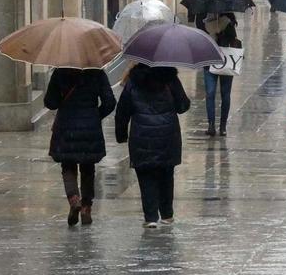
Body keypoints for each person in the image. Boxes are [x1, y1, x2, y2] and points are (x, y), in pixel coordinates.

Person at [115, 64, 190, 228]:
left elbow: (122, 110)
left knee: (146, 175)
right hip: (167, 136)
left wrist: (121, 135)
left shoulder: (133, 82)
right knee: (166, 173)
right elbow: (183, 106)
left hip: (142, 136)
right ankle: (167, 214)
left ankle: (150, 217)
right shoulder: (170, 79)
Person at [44, 68, 116, 226]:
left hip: (66, 126)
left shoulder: (60, 72)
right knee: (88, 168)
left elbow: (50, 103)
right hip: (90, 127)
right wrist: (95, 116)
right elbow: (110, 102)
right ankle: (86, 209)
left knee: (67, 165)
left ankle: (74, 199)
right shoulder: (97, 73)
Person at [202, 13, 241, 136]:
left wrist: (223, 33)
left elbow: (234, 40)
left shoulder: (228, 21)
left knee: (225, 94)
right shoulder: (203, 21)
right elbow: (200, 39)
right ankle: (211, 125)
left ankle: (223, 125)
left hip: (226, 62)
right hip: (209, 61)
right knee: (210, 93)